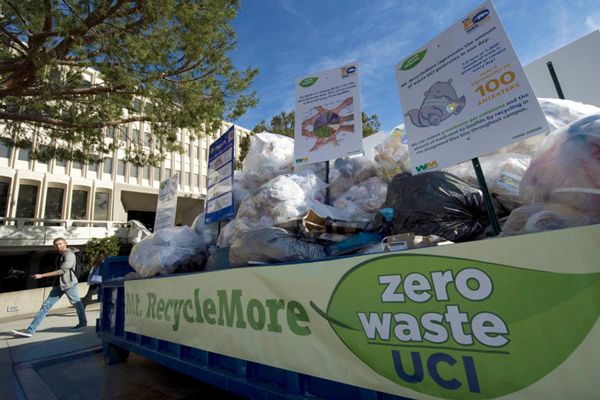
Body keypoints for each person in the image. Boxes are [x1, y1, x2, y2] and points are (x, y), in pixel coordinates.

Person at [12, 237, 87, 337]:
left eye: (60, 244)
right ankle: (30, 330)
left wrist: (42, 275)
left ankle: (82, 323)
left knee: (77, 303)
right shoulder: (60, 255)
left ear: (66, 243)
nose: (58, 246)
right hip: (59, 284)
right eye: (56, 244)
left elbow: (62, 270)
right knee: (46, 306)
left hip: (69, 284)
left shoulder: (69, 255)